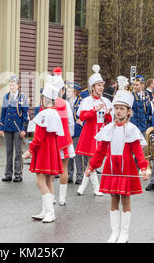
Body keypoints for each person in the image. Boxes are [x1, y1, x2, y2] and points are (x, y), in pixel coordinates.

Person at [85, 76, 149, 243]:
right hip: (111, 168)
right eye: (116, 108)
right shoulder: (108, 129)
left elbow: (138, 152)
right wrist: (91, 167)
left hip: (126, 167)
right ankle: (114, 232)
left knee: (125, 198)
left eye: (122, 108)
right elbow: (100, 152)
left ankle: (125, 233)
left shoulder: (132, 129)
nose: (118, 111)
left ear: (128, 111)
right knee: (113, 198)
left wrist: (143, 168)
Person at [22, 76, 64, 223]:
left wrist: (29, 151)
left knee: (40, 182)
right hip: (51, 149)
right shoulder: (55, 113)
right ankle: (46, 210)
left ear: (45, 99)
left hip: (44, 151)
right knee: (48, 182)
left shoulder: (45, 113)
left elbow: (38, 137)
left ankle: (50, 213)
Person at [75, 65, 113, 196]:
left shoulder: (106, 101)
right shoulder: (87, 100)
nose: (101, 88)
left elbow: (109, 120)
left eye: (102, 85)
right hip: (90, 132)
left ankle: (82, 187)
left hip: (101, 133)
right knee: (92, 161)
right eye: (98, 85)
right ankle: (97, 188)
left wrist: (107, 113)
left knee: (92, 162)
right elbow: (82, 116)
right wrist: (94, 110)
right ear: (92, 87)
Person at [50, 67, 75, 206]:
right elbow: (70, 123)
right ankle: (62, 198)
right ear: (63, 90)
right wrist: (68, 136)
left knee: (51, 170)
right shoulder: (65, 104)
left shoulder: (47, 103)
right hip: (64, 140)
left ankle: (51, 197)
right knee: (64, 169)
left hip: (51, 141)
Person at [0, 75, 29, 182]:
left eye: (14, 85)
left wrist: (24, 129)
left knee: (17, 152)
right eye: (10, 85)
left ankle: (18, 174)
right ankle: (8, 174)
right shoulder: (6, 97)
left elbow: (25, 115)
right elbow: (3, 113)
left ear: (18, 85)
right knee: (8, 152)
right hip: (8, 127)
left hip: (18, 128)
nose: (12, 87)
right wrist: (1, 127)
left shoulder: (23, 98)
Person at [66, 81, 84, 185]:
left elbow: (85, 114)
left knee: (77, 154)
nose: (67, 93)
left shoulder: (81, 102)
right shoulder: (67, 102)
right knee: (69, 153)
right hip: (68, 130)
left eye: (69, 91)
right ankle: (69, 175)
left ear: (75, 92)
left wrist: (82, 122)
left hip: (77, 130)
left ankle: (79, 176)